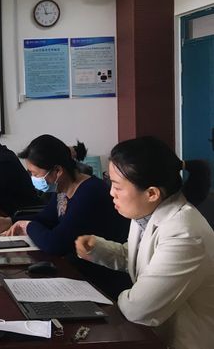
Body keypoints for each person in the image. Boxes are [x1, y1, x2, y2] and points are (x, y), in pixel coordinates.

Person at [75, 136, 214, 349]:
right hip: (155, 335)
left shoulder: (185, 235)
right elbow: (139, 256)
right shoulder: (148, 212)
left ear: (151, 193)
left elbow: (139, 309)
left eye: (117, 187)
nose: (111, 193)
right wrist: (98, 249)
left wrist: (113, 299)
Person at [0, 134, 130, 297]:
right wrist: (10, 221)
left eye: (35, 174)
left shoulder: (89, 193)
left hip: (102, 280)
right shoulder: (63, 189)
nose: (32, 179)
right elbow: (46, 218)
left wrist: (27, 226)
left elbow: (55, 244)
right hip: (76, 268)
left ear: (58, 171)